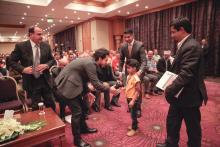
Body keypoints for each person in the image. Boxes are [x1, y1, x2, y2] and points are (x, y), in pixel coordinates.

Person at [156, 17, 208, 147]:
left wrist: (169, 89)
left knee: (193, 128)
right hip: (179, 94)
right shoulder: (185, 44)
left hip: (190, 96)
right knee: (172, 122)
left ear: (182, 30)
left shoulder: (192, 46)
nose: (171, 35)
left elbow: (186, 73)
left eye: (173, 32)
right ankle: (171, 144)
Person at [54, 48, 119, 147]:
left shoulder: (90, 61)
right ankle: (77, 140)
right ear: (100, 58)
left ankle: (84, 128)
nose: (107, 62)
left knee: (83, 108)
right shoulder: (90, 63)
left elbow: (84, 78)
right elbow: (96, 84)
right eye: (106, 60)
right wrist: (110, 89)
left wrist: (87, 92)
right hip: (67, 87)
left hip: (74, 83)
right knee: (77, 112)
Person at [8, 26, 56, 111]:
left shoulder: (46, 45)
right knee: (36, 107)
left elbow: (52, 60)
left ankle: (55, 122)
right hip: (31, 82)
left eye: (42, 34)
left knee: (51, 104)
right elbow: (11, 61)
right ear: (31, 35)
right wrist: (23, 69)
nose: (42, 36)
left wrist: (46, 65)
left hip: (45, 80)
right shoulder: (21, 46)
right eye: (39, 34)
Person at [119, 28, 147, 117]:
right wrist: (120, 71)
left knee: (137, 90)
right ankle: (130, 105)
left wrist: (140, 71)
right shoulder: (123, 46)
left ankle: (138, 108)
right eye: (125, 38)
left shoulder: (140, 45)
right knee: (129, 89)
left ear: (132, 36)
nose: (127, 39)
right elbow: (121, 60)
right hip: (128, 71)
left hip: (138, 72)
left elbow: (144, 61)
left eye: (128, 37)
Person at [125, 59, 141, 137]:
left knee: (133, 115)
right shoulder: (129, 76)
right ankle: (135, 125)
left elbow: (138, 91)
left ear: (135, 68)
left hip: (133, 99)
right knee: (132, 113)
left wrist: (133, 101)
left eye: (129, 68)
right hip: (129, 97)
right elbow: (129, 86)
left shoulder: (136, 78)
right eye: (127, 68)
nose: (127, 69)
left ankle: (134, 129)